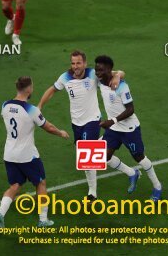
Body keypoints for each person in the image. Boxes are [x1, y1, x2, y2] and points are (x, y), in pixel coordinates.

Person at [38, 50, 123, 202]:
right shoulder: (65, 77)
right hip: (76, 123)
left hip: (92, 121)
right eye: (73, 63)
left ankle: (92, 193)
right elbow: (52, 90)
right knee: (93, 156)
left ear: (84, 63)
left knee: (87, 157)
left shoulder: (93, 74)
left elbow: (119, 73)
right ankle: (130, 171)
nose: (75, 66)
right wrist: (39, 106)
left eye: (78, 63)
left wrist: (116, 76)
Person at [0, 76, 69, 228]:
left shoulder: (5, 105)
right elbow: (48, 127)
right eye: (32, 87)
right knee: (40, 183)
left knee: (15, 185)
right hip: (27, 156)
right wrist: (60, 132)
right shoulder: (31, 110)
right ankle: (43, 219)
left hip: (9, 154)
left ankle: (0, 213)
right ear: (28, 89)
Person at [94, 55, 162, 202]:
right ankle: (132, 173)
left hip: (129, 129)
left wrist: (112, 120)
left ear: (109, 70)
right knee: (103, 157)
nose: (98, 73)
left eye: (101, 70)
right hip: (113, 128)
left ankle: (157, 187)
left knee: (140, 158)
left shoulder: (122, 86)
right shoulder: (100, 81)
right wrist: (118, 73)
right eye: (96, 69)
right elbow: (119, 71)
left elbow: (131, 109)